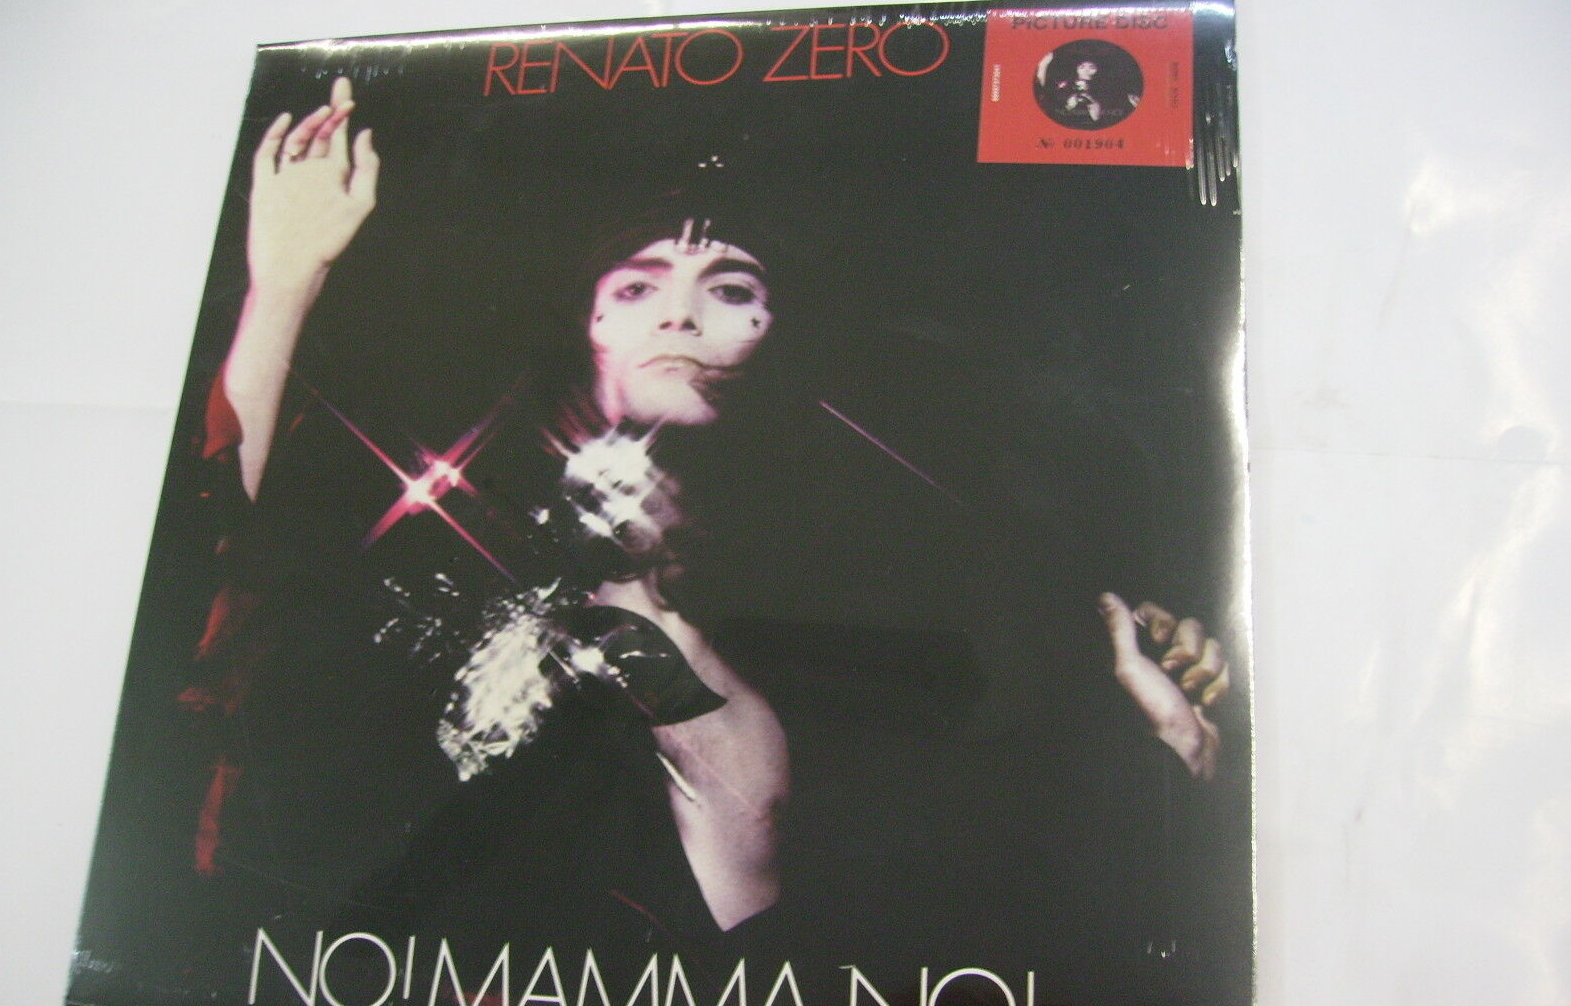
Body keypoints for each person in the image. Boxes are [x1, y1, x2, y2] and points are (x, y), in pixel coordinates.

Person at [207, 76, 1230, 950]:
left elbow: (784, 906)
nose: (680, 315)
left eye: (731, 288)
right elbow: (221, 550)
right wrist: (285, 281)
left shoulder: (839, 595)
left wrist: (1144, 732)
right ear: (589, 323)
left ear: (777, 331)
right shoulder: (452, 503)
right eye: (637, 286)